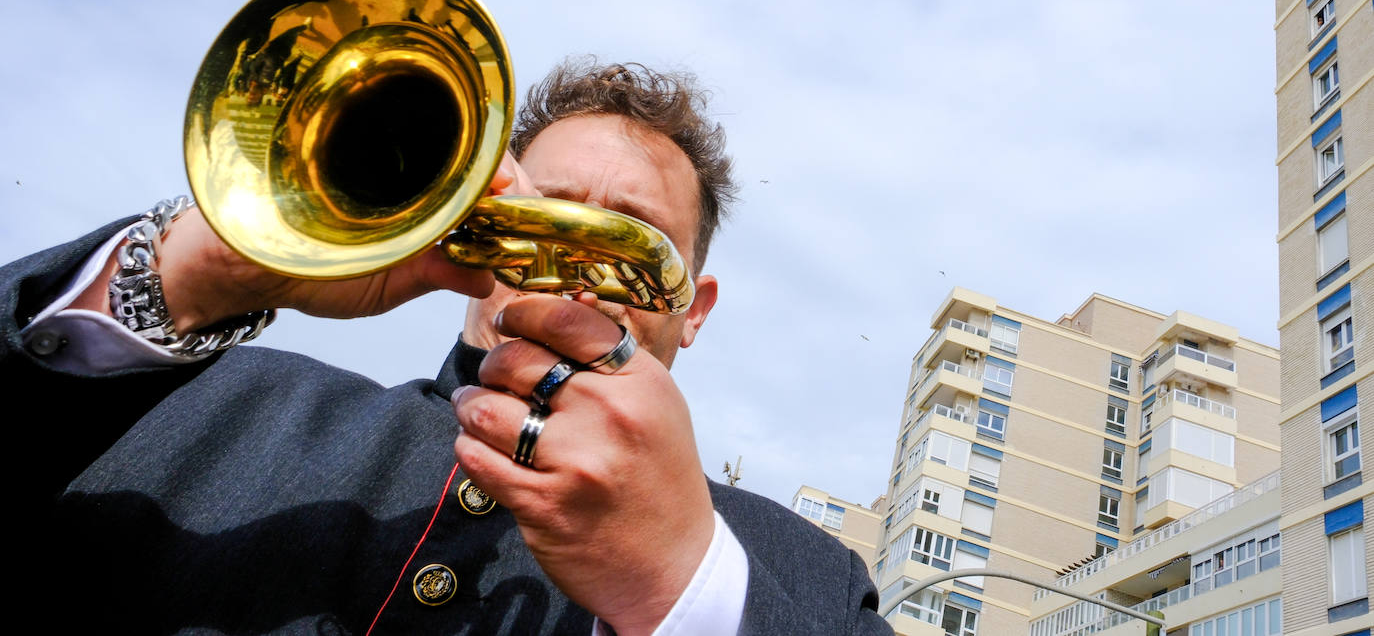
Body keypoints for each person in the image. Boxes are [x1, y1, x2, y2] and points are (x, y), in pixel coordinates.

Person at [1, 60, 888, 634]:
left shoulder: (817, 582)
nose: (574, 263)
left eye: (629, 236)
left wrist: (682, 588)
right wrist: (199, 274)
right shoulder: (208, 395)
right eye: (543, 211)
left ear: (695, 312)